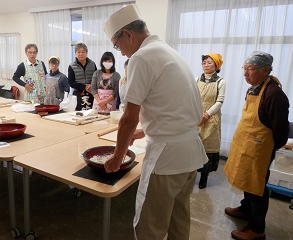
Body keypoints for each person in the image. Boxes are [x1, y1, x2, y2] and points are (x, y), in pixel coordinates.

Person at [103, 4, 208, 240]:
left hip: (167, 159)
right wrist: (142, 133)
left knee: (150, 227)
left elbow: (129, 117)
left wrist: (118, 156)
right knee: (178, 221)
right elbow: (173, 108)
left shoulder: (142, 57)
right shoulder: (169, 51)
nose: (120, 53)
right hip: (189, 153)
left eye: (117, 45)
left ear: (128, 34)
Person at [223, 51, 289, 240]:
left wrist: (267, 147)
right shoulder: (254, 88)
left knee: (257, 188)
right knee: (246, 180)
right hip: (247, 145)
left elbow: (281, 132)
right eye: (244, 69)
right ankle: (245, 209)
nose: (245, 74)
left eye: (250, 69)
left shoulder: (274, 94)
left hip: (260, 149)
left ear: (266, 70)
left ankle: (257, 228)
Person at [196, 53, 226, 189]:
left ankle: (204, 177)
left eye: (209, 63)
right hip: (196, 115)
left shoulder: (221, 82)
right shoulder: (196, 80)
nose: (206, 65)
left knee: (207, 147)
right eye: (204, 63)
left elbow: (220, 101)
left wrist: (206, 115)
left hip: (211, 117)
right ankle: (190, 173)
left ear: (216, 66)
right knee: (194, 145)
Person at [68, 43, 97, 110]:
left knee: (92, 113)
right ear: (75, 53)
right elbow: (70, 82)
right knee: (79, 114)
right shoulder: (71, 66)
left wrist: (90, 86)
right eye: (78, 52)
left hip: (91, 93)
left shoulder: (92, 64)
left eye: (83, 52)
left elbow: (96, 79)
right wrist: (84, 87)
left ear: (86, 53)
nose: (81, 54)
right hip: (78, 93)